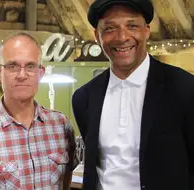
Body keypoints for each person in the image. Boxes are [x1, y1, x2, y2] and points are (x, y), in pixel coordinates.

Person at [72, 0, 194, 190]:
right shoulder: (84, 98)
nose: (122, 37)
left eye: (132, 26)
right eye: (110, 28)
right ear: (97, 36)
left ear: (146, 30)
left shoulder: (184, 88)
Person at [0, 32, 76, 189]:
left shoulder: (61, 126)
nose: (22, 75)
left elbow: (66, 180)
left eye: (31, 66)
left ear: (41, 73)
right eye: (12, 66)